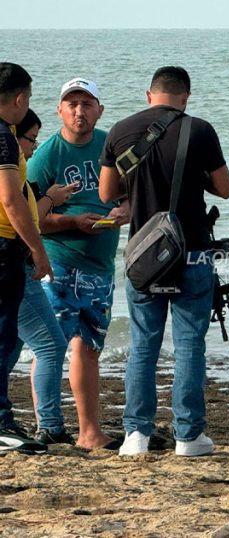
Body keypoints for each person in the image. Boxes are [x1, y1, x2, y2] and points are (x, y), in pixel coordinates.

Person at [98, 66, 229, 457]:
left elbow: (108, 192)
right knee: (190, 344)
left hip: (144, 253)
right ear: (185, 97)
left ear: (148, 95)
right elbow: (224, 189)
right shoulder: (200, 130)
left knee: (144, 345)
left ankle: (135, 436)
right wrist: (196, 177)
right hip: (191, 252)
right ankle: (188, 436)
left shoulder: (121, 130)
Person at [28, 79, 128, 450]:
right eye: (71, 104)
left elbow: (133, 192)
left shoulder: (110, 145)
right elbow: (30, 216)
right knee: (51, 345)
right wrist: (72, 221)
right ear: (59, 110)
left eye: (87, 103)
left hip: (100, 264)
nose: (79, 111)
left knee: (88, 346)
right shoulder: (47, 155)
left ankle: (89, 432)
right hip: (59, 260)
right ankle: (48, 425)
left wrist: (125, 211)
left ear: (100, 109)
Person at [5, 109, 76, 445]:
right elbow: (16, 209)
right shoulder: (9, 170)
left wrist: (48, 198)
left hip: (15, 261)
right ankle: (49, 425)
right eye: (30, 139)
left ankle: (11, 420)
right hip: (14, 263)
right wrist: (38, 252)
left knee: (13, 344)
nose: (33, 148)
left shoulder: (19, 179)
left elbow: (27, 208)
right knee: (51, 344)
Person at [0, 62, 52, 454]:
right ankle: (1, 422)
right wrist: (36, 249)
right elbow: (10, 198)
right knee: (4, 336)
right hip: (4, 245)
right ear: (19, 99)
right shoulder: (3, 135)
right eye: (29, 99)